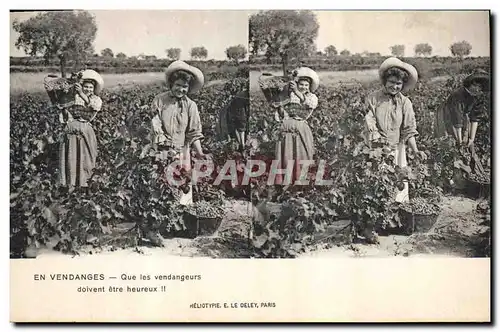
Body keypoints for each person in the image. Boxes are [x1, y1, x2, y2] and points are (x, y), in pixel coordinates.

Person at [364, 57, 427, 201]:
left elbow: (409, 129)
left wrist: (415, 151)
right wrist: (378, 147)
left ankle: (398, 212)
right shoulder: (373, 99)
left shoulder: (405, 103)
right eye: (391, 82)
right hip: (376, 148)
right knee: (379, 183)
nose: (395, 86)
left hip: (397, 150)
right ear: (385, 81)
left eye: (398, 83)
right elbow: (369, 122)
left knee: (398, 182)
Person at [150, 60, 207, 206]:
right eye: (178, 85)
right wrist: (164, 147)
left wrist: (200, 154)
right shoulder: (159, 101)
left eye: (185, 86)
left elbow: (194, 133)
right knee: (162, 188)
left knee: (182, 187)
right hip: (162, 151)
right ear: (171, 84)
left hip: (183, 152)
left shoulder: (191, 106)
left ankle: (181, 221)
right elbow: (155, 125)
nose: (181, 89)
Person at [57, 69, 104, 192]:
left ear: (94, 90)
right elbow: (65, 111)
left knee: (86, 158)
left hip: (85, 130)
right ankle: (70, 185)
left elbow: (92, 106)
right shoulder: (75, 98)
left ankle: (85, 185)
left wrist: (81, 93)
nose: (88, 89)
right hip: (72, 129)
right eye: (86, 87)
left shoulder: (96, 100)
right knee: (71, 156)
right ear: (82, 87)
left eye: (90, 88)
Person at [272, 67, 319, 186]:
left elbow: (307, 103)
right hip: (287, 127)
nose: (303, 87)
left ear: (309, 87)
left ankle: (300, 184)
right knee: (286, 155)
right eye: (301, 84)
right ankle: (285, 184)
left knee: (302, 155)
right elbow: (282, 113)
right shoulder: (290, 96)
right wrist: (280, 105)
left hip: (301, 129)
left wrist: (297, 92)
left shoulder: (312, 97)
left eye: (306, 85)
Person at [434, 70, 490, 148]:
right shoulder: (458, 95)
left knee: (467, 141)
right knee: (448, 141)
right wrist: (460, 143)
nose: (479, 89)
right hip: (446, 116)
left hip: (463, 118)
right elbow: (457, 119)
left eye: (480, 87)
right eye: (477, 86)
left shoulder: (477, 96)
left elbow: (475, 118)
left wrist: (471, 138)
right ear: (471, 84)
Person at [217, 89, 250, 153]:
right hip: (236, 106)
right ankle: (242, 146)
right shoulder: (240, 99)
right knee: (239, 126)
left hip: (236, 106)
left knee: (238, 126)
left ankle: (241, 145)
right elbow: (242, 122)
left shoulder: (243, 95)